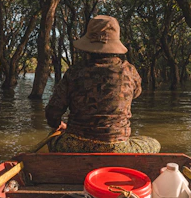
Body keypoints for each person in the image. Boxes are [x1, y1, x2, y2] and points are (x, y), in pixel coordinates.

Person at [45, 15, 161, 153]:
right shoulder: (129, 71)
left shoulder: (74, 72)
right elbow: (135, 94)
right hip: (117, 148)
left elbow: (52, 112)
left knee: (52, 138)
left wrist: (58, 125)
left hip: (75, 146)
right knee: (154, 143)